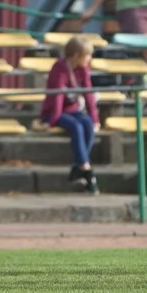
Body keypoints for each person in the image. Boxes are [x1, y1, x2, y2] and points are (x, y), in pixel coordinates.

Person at [40, 35, 101, 195]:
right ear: (76, 55)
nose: (90, 58)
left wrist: (95, 118)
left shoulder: (83, 70)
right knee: (76, 127)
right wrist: (53, 121)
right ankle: (87, 170)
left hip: (72, 109)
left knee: (87, 124)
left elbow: (88, 94)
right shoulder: (59, 68)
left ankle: (78, 166)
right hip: (54, 111)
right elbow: (57, 96)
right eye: (87, 55)